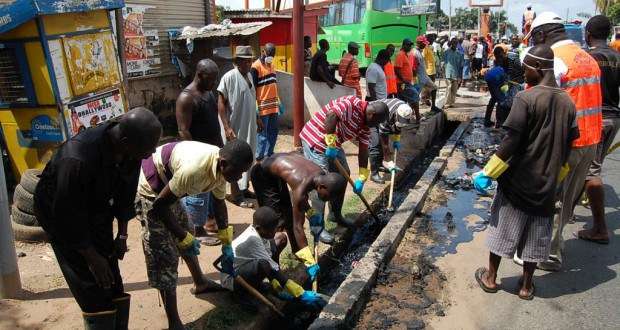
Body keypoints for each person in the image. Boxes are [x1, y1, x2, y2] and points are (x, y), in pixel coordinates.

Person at [34, 108, 162, 329]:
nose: (151, 154)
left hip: (98, 210)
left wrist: (121, 235)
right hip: (61, 218)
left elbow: (125, 195)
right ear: (124, 141)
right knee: (90, 286)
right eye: (147, 148)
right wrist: (91, 256)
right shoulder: (76, 159)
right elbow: (67, 216)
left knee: (112, 282)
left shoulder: (132, 150)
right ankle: (97, 315)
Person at [473, 45, 578, 301]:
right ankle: (526, 286)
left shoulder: (526, 98)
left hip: (519, 180)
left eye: (526, 67)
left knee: (503, 228)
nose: (523, 72)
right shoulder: (567, 101)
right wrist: (558, 177)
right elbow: (570, 145)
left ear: (539, 68)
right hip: (547, 184)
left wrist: (488, 171)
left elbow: (511, 141)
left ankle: (491, 278)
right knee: (536, 235)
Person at [136, 139, 254, 329]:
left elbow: (219, 202)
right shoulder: (195, 170)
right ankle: (174, 323)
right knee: (165, 257)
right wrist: (182, 236)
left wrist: (225, 240)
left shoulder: (222, 168)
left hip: (171, 188)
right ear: (223, 163)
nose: (240, 176)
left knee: (187, 229)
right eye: (239, 171)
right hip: (151, 189)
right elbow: (160, 206)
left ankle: (200, 282)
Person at [527, 12, 603, 271]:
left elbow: (539, 105)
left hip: (565, 144)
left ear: (541, 35)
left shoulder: (556, 61)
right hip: (590, 141)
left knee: (551, 197)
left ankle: (546, 253)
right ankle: (553, 246)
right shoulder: (587, 58)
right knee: (568, 197)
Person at [250, 153, 347, 277]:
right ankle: (273, 269)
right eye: (327, 197)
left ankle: (297, 251)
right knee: (275, 223)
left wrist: (312, 215)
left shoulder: (319, 174)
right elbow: (298, 227)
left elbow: (302, 203)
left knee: (288, 213)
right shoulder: (301, 185)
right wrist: (310, 262)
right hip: (262, 175)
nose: (326, 201)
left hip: (275, 172)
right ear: (322, 187)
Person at [299, 96, 389, 227]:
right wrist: (330, 142)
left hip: (333, 143)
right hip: (315, 138)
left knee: (343, 174)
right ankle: (318, 227)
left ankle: (335, 215)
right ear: (372, 114)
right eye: (376, 122)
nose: (375, 126)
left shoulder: (366, 126)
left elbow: (363, 150)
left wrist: (362, 177)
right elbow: (331, 115)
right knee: (321, 181)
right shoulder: (352, 103)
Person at [221, 207, 326, 309]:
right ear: (258, 228)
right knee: (264, 265)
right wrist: (300, 293)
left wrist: (275, 281)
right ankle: (241, 294)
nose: (274, 232)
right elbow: (271, 267)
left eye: (275, 228)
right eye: (271, 231)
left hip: (246, 266)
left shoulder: (259, 232)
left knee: (281, 238)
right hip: (233, 278)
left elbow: (271, 261)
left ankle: (262, 284)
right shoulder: (253, 240)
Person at [578, 15, 620, 244]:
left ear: (588, 34)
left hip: (594, 119)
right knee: (593, 165)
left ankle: (600, 229)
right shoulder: (617, 57)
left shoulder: (587, 58)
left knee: (590, 171)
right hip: (614, 118)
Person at [176, 58, 223, 245]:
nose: (214, 83)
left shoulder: (208, 92)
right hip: (198, 155)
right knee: (197, 193)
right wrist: (196, 156)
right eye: (211, 79)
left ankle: (210, 221)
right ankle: (197, 229)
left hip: (213, 151)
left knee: (211, 189)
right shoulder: (187, 98)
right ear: (200, 75)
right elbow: (183, 130)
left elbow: (212, 122)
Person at [218, 45, 258, 209]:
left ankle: (244, 188)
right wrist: (227, 127)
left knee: (248, 157)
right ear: (238, 61)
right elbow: (220, 102)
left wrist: (258, 118)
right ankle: (236, 195)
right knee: (235, 159)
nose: (249, 64)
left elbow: (251, 98)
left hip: (249, 124)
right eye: (246, 61)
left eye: (250, 61)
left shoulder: (248, 75)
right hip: (235, 126)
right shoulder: (229, 77)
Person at [368, 98, 413, 183]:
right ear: (396, 114)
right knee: (376, 144)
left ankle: (380, 165)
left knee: (381, 144)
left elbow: (399, 126)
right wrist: (388, 160)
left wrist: (396, 139)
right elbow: (384, 140)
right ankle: (374, 174)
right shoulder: (387, 114)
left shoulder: (405, 110)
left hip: (380, 117)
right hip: (371, 116)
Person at [251, 43, 280, 163]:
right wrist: (256, 110)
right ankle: (259, 158)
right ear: (263, 52)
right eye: (269, 54)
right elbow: (252, 89)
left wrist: (279, 102)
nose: (271, 57)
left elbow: (273, 84)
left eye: (273, 55)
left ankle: (269, 154)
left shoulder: (272, 65)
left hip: (273, 106)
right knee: (262, 134)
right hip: (262, 107)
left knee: (273, 131)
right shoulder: (255, 67)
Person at [394, 38, 421, 124]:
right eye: (408, 45)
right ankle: (417, 117)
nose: (410, 47)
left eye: (410, 45)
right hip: (403, 83)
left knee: (403, 101)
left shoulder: (406, 55)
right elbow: (397, 69)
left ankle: (404, 119)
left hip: (406, 82)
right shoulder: (400, 55)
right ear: (404, 45)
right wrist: (403, 80)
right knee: (415, 97)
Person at [483, 47, 509, 128]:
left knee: (494, 98)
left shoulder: (495, 59)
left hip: (490, 76)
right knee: (501, 100)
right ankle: (498, 122)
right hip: (497, 77)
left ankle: (487, 120)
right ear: (501, 52)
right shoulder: (504, 58)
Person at [413, 35, 438, 110]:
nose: (425, 45)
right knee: (415, 96)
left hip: (424, 76)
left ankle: (433, 107)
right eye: (423, 43)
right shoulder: (415, 53)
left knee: (434, 88)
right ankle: (413, 112)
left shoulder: (419, 51)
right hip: (419, 78)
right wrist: (415, 79)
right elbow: (413, 68)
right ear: (419, 43)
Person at [444, 38, 464, 109]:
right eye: (453, 43)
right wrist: (443, 72)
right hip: (448, 73)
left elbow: (461, 66)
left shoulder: (460, 54)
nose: (455, 45)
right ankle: (446, 103)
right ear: (451, 43)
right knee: (448, 88)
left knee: (454, 89)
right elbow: (444, 63)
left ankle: (452, 103)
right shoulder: (446, 52)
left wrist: (460, 76)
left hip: (456, 73)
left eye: (456, 43)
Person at [421, 34, 439, 112]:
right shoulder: (425, 48)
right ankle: (425, 100)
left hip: (432, 70)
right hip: (428, 71)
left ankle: (428, 101)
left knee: (430, 88)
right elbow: (423, 58)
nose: (433, 40)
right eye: (432, 39)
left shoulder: (430, 47)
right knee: (427, 88)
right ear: (428, 40)